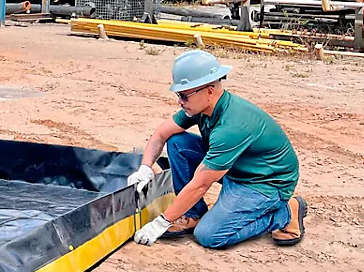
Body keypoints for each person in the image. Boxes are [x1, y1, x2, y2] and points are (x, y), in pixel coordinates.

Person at [127, 49, 306, 248]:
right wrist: (145, 167)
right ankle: (193, 214)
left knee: (209, 235)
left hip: (263, 183)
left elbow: (200, 185)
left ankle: (285, 213)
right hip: (237, 167)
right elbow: (161, 134)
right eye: (179, 95)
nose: (180, 101)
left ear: (209, 91)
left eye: (184, 95)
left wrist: (161, 223)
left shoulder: (231, 127)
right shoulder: (201, 108)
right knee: (177, 142)